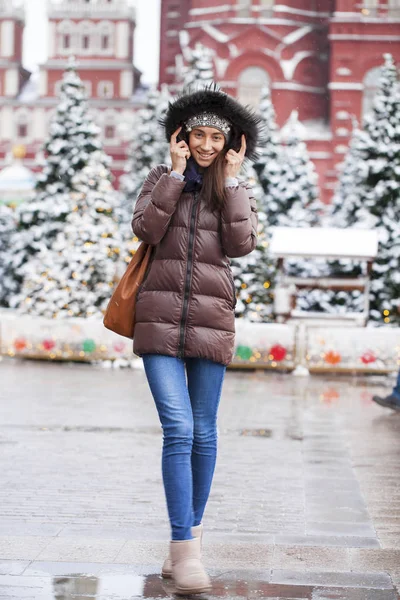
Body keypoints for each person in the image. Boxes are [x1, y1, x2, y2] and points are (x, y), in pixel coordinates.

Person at [131, 86, 261, 595]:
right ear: (182, 136)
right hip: (158, 320)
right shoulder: (160, 180)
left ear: (230, 143)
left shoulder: (232, 188)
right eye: (198, 135)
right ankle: (185, 550)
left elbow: (241, 245)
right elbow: (146, 229)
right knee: (179, 428)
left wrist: (230, 183)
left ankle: (187, 545)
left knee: (204, 431)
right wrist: (171, 173)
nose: (206, 145)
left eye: (216, 137)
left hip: (211, 320)